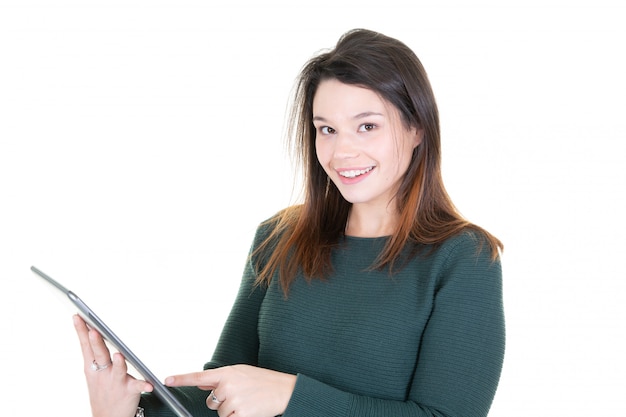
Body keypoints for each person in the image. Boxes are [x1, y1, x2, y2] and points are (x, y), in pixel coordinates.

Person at [74, 28, 505, 417]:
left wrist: (292, 396)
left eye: (367, 126)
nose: (342, 153)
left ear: (416, 129)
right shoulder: (278, 238)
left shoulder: (462, 258)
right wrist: (131, 409)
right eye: (327, 130)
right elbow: (223, 395)